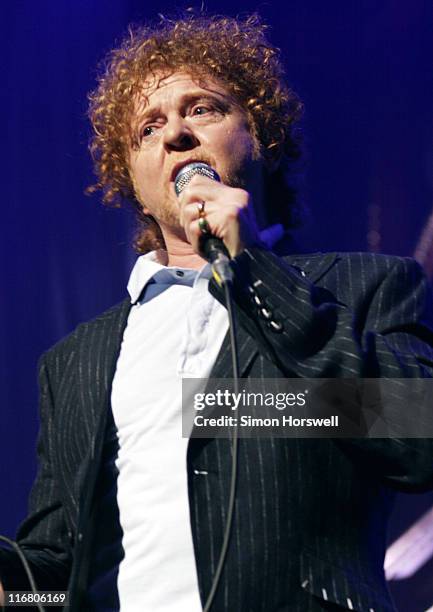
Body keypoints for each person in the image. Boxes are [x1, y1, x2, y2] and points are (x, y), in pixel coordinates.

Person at [1, 13, 433, 612]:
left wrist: (254, 269)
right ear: (130, 179)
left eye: (202, 109)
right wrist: (10, 591)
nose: (175, 133)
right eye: (149, 127)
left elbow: (416, 437)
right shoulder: (74, 362)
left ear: (261, 135)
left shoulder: (367, 285)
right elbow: (54, 577)